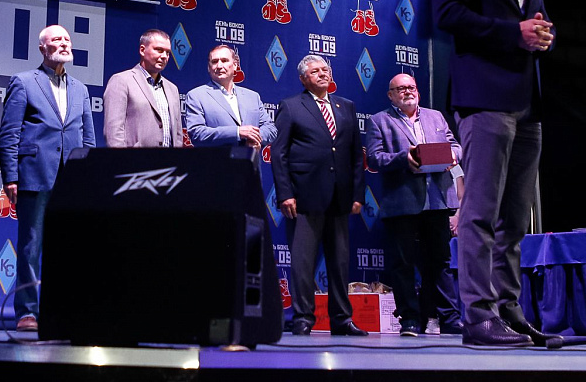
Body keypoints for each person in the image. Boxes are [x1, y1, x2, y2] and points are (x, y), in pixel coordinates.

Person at [431, 0, 554, 347]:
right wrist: (513, 33)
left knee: (514, 219)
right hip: (485, 98)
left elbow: (535, 21)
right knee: (480, 213)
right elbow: (447, 14)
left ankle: (509, 310)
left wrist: (543, 34)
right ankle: (478, 317)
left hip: (527, 102)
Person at [0, 25, 95, 331]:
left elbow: (88, 138)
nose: (64, 44)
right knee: (31, 246)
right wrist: (10, 176)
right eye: (57, 40)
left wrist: (86, 175)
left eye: (67, 39)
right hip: (34, 175)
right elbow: (9, 133)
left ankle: (60, 311)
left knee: (67, 246)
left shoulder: (80, 89)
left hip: (71, 179)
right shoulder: (24, 81)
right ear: (43, 48)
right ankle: (27, 312)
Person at [271, 55, 366, 337]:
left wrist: (357, 194)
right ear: (303, 79)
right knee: (303, 263)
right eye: (315, 71)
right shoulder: (291, 106)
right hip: (304, 197)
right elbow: (279, 153)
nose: (322, 74)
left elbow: (356, 155)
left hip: (340, 196)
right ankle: (302, 318)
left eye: (325, 69)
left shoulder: (346, 106)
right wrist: (285, 193)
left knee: (340, 262)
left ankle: (342, 319)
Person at [367, 73, 462, 336]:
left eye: (411, 87)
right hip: (402, 202)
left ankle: (449, 318)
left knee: (441, 262)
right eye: (401, 89)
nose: (408, 92)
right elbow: (374, 159)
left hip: (437, 200)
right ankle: (410, 319)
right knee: (403, 264)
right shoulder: (379, 121)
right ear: (391, 95)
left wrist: (453, 156)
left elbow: (455, 145)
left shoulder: (436, 116)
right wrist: (403, 158)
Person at [183, 45, 276, 151]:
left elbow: (271, 129)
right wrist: (237, 132)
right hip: (217, 160)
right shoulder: (196, 96)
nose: (219, 66)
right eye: (214, 62)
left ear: (235, 65)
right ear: (209, 68)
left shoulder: (253, 97)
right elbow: (197, 133)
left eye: (224, 60)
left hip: (249, 161)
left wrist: (253, 138)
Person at [103, 29, 183, 148]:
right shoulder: (121, 80)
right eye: (159, 50)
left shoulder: (172, 89)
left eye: (167, 53)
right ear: (142, 50)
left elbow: (178, 134)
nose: (164, 56)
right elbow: (113, 132)